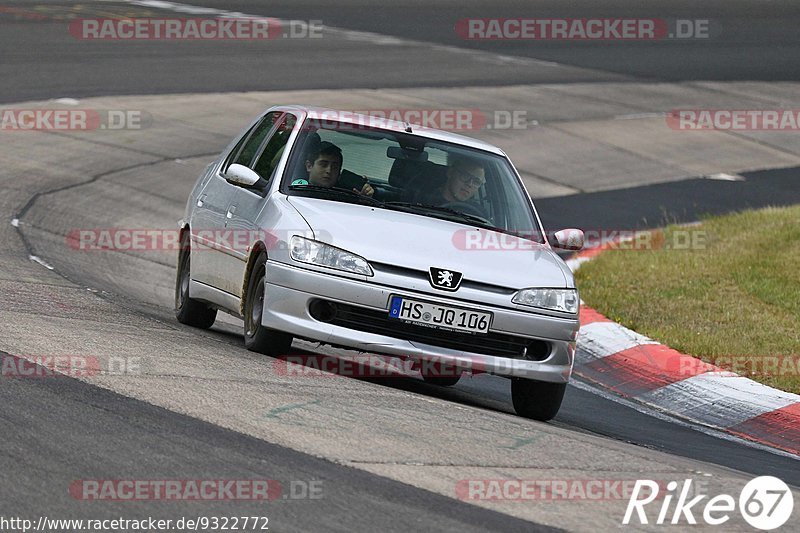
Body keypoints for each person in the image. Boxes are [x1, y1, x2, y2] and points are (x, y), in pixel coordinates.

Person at [291, 140, 374, 197]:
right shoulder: (293, 191)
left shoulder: (346, 195)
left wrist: (363, 199)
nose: (329, 170)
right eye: (323, 164)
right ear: (309, 166)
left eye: (334, 167)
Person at [415, 154, 485, 205]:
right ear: (450, 173)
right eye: (466, 176)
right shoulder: (422, 200)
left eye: (476, 182)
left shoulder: (479, 214)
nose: (469, 184)